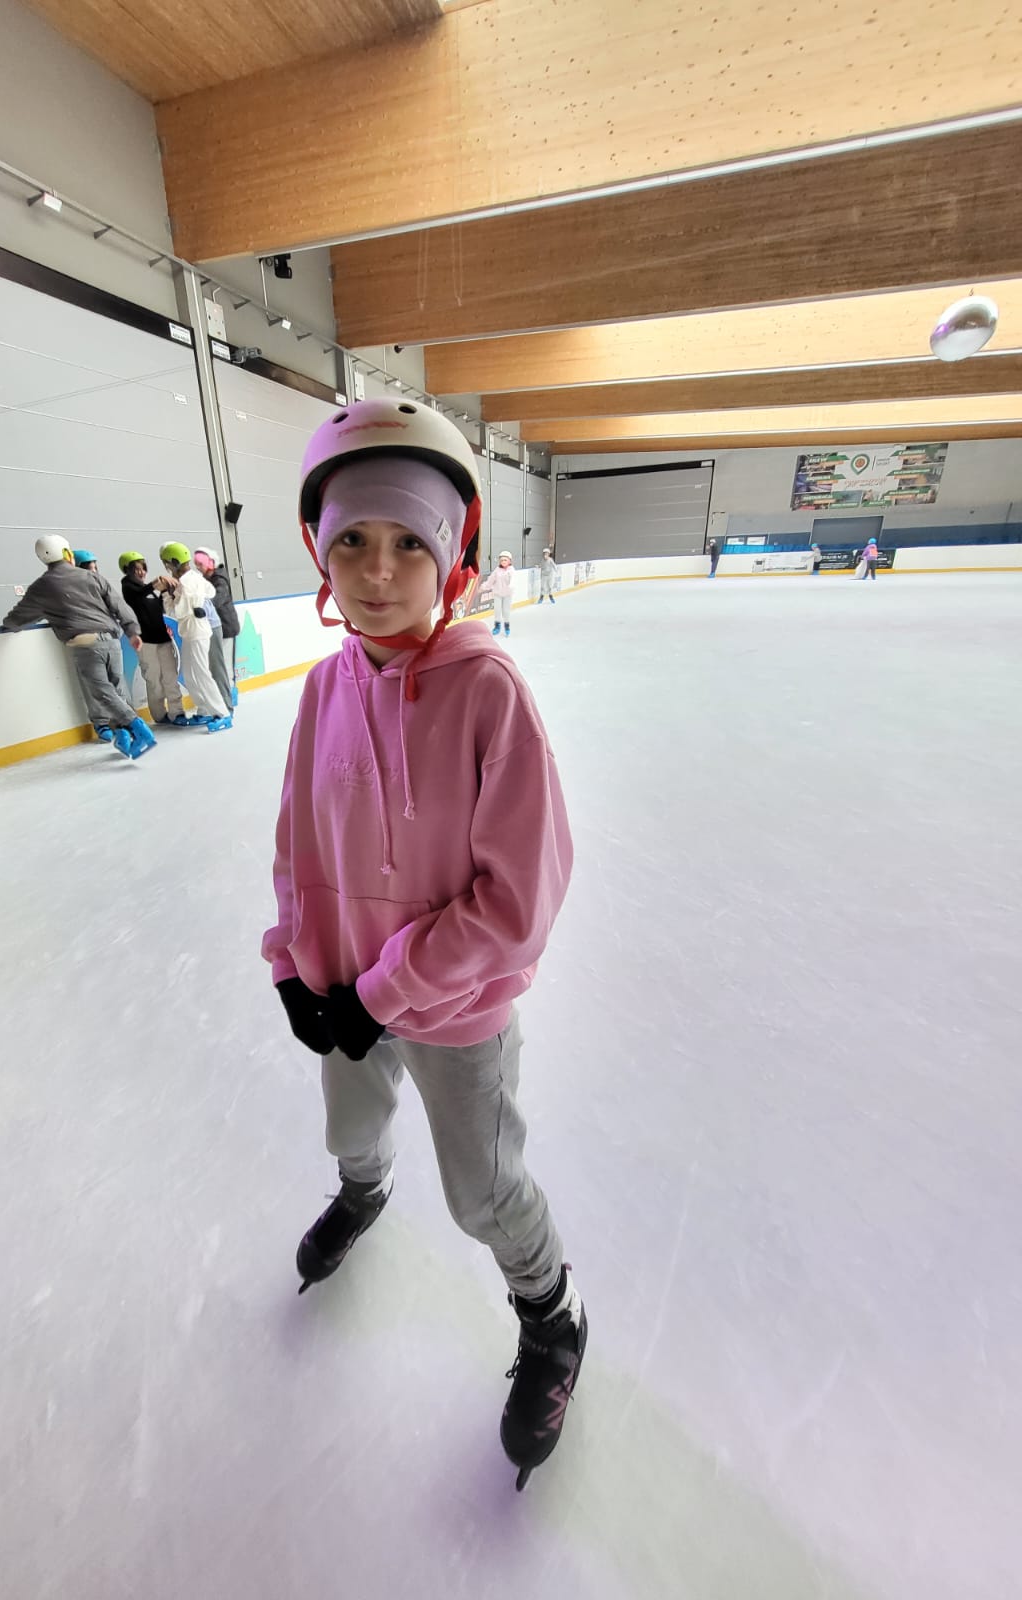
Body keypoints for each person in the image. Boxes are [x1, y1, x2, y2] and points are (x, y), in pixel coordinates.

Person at [263, 398, 585, 1491]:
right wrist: (291, 962)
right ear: (318, 547)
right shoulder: (324, 686)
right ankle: (362, 1191)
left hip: (453, 1009)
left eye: (409, 542)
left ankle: (552, 1311)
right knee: (350, 1127)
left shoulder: (489, 690)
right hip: (340, 986)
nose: (376, 571)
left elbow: (518, 901)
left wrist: (387, 990)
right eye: (351, 538)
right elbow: (299, 839)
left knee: (484, 1191)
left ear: (452, 555)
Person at [1, 536, 156, 759]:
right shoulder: (91, 577)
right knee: (117, 688)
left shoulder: (41, 587)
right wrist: (132, 631)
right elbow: (118, 604)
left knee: (102, 693)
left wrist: (7, 626)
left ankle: (138, 729)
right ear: (67, 554)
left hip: (85, 644)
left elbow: (18, 617)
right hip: (112, 640)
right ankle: (122, 735)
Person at [154, 543, 230, 732]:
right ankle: (204, 709)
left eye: (166, 563)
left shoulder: (187, 582)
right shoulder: (191, 578)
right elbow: (210, 591)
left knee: (201, 673)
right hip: (190, 632)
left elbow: (177, 611)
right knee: (189, 674)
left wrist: (166, 591)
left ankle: (222, 714)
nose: (167, 567)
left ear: (173, 562)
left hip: (197, 632)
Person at [119, 552, 184, 724]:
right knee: (154, 680)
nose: (141, 572)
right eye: (136, 569)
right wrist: (158, 581)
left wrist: (165, 591)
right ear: (127, 571)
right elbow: (140, 593)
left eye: (143, 569)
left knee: (170, 676)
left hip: (163, 638)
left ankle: (177, 712)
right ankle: (159, 714)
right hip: (146, 642)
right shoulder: (128, 587)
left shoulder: (149, 591)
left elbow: (160, 607)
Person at [193, 546, 239, 717]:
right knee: (217, 666)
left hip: (226, 627)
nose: (198, 568)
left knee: (225, 665)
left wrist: (203, 606)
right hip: (214, 629)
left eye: (201, 564)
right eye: (197, 565)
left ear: (210, 563)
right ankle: (224, 697)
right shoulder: (207, 579)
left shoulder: (220, 579)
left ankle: (228, 698)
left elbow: (218, 597)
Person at [479, 550, 516, 636]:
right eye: (502, 560)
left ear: (509, 561)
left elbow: (513, 580)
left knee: (506, 611)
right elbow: (490, 580)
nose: (503, 562)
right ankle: (497, 626)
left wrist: (511, 586)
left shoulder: (511, 570)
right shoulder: (497, 570)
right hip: (498, 593)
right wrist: (483, 587)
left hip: (507, 594)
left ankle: (507, 626)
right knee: (497, 610)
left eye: (505, 560)